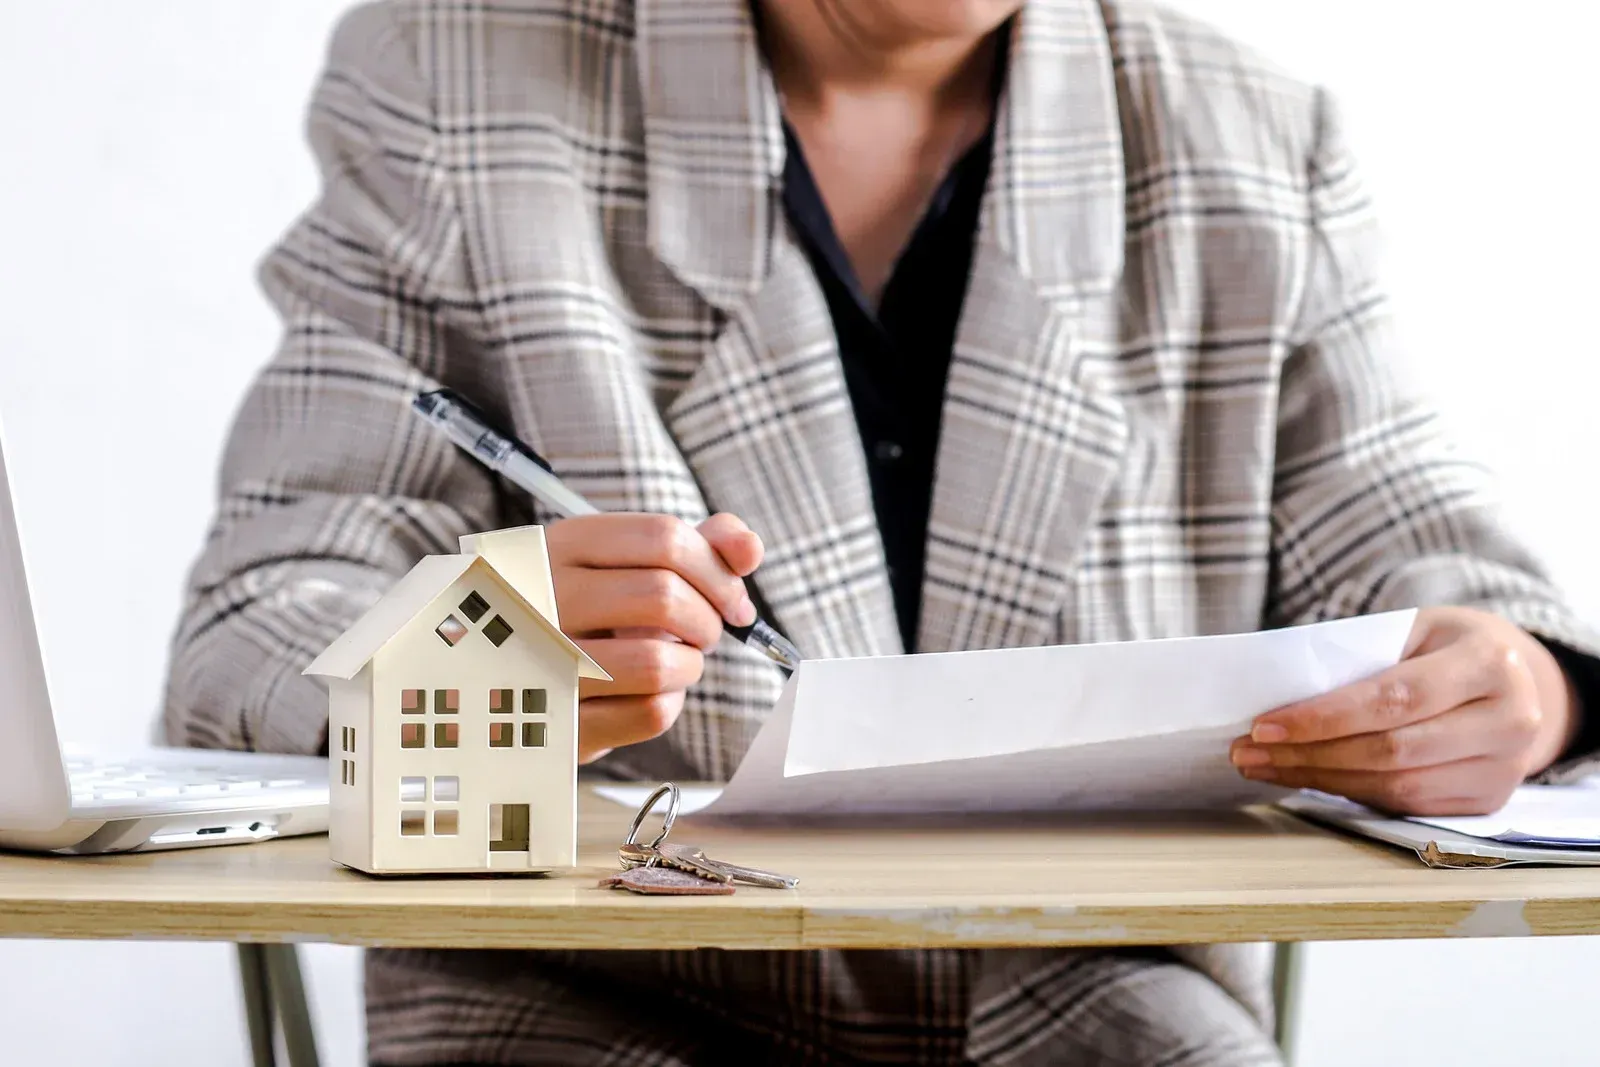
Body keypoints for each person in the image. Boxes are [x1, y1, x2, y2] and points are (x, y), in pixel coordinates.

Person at [162, 0, 1600, 1063]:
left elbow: (1427, 551)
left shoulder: (1256, 139)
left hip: (1088, 995)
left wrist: (1525, 686)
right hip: (593, 983)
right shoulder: (452, 77)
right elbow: (254, 625)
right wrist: (483, 643)